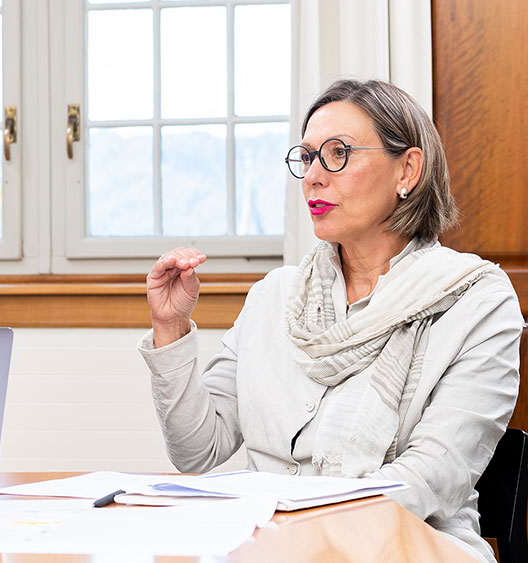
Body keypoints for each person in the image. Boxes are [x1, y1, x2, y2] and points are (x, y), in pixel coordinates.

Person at [140, 79, 520, 563]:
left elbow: (429, 478)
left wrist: (287, 530)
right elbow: (197, 450)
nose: (314, 176)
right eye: (307, 157)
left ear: (408, 168)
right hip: (266, 545)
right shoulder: (273, 297)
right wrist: (170, 328)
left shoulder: (476, 299)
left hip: (407, 547)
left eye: (338, 154)